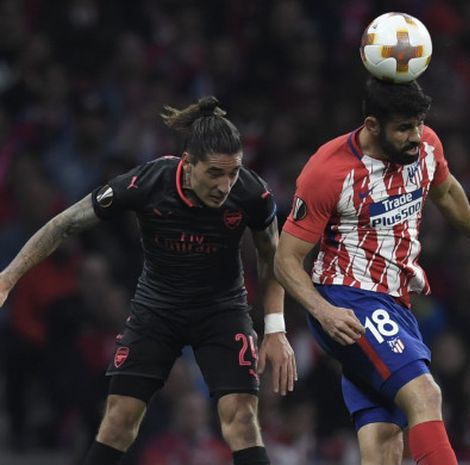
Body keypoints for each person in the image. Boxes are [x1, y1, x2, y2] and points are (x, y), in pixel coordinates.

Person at [0, 96, 296, 465]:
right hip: (158, 309)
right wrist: (7, 278)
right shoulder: (146, 182)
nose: (225, 185)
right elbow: (65, 224)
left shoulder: (252, 194)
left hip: (221, 310)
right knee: (119, 422)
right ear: (188, 165)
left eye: (233, 172)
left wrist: (275, 328)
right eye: (215, 173)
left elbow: (273, 257)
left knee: (242, 420)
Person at [274, 77, 470, 465]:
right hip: (347, 299)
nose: (415, 136)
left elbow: (446, 191)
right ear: (373, 125)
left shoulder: (425, 146)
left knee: (385, 443)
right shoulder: (329, 170)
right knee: (425, 395)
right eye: (404, 128)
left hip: (396, 302)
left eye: (419, 124)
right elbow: (285, 259)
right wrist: (324, 312)